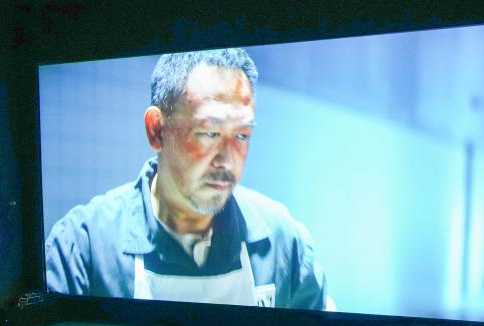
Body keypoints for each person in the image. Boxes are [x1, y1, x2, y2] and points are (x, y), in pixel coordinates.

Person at [44, 48, 333, 310]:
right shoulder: (84, 246)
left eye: (242, 135)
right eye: (209, 133)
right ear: (157, 130)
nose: (227, 160)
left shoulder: (283, 242)